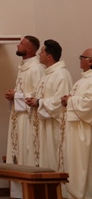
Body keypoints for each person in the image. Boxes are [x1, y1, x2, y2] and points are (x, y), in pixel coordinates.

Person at [25, 40, 72, 180]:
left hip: (53, 127)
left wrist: (39, 102)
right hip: (41, 126)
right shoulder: (46, 74)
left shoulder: (61, 74)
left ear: (49, 56)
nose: (39, 54)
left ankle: (54, 188)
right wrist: (33, 100)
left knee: (51, 157)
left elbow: (60, 102)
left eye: (42, 52)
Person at [4, 35, 44, 198]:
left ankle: (28, 194)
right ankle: (18, 194)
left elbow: (38, 95)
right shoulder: (23, 67)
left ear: (29, 48)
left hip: (28, 121)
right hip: (18, 119)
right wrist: (14, 95)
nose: (17, 46)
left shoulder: (36, 69)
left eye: (21, 43)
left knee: (26, 155)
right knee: (17, 155)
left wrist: (17, 96)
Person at [62, 49, 92, 199]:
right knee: (73, 165)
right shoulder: (81, 80)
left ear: (90, 61)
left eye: (82, 57)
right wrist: (68, 100)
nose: (79, 59)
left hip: (84, 131)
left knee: (82, 166)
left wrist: (70, 100)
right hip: (74, 130)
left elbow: (89, 104)